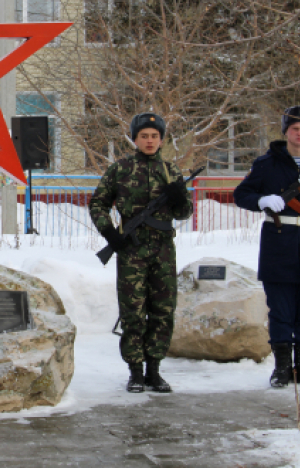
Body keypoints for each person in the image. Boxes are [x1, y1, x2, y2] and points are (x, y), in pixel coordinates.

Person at [88, 113, 193, 393]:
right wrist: (110, 233)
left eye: (154, 136)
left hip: (163, 249)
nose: (149, 141)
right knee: (133, 311)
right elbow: (97, 203)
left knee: (162, 310)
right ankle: (135, 371)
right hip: (131, 250)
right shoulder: (120, 169)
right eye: (144, 136)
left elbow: (184, 213)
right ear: (135, 139)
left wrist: (178, 197)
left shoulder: (171, 171)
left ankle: (154, 370)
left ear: (161, 140)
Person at [233, 106, 300, 388]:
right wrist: (262, 200)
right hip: (279, 241)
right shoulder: (267, 164)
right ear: (285, 131)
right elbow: (242, 195)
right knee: (281, 310)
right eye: (295, 128)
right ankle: (283, 367)